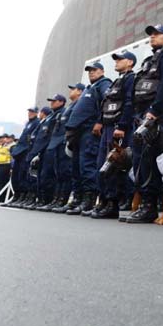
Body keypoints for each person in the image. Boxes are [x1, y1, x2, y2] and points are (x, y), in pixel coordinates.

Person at [127, 24, 163, 224]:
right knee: (139, 158)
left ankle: (150, 206)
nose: (152, 37)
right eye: (151, 35)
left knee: (149, 157)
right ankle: (145, 202)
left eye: (157, 34)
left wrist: (155, 110)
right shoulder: (147, 61)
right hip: (140, 114)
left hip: (153, 114)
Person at [91, 51, 137, 219]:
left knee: (113, 166)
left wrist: (123, 125)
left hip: (118, 128)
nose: (116, 62)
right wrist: (100, 121)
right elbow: (106, 104)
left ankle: (112, 204)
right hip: (108, 127)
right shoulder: (117, 81)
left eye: (120, 59)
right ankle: (103, 200)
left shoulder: (131, 78)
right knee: (102, 165)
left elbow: (130, 103)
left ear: (130, 62)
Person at [64, 64, 112, 216]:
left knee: (87, 166)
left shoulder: (104, 84)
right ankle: (78, 199)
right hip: (79, 134)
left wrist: (100, 121)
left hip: (90, 132)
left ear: (102, 71)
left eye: (94, 70)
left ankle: (89, 201)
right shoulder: (89, 88)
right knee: (77, 167)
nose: (91, 73)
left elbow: (108, 101)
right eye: (89, 71)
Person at [53, 84, 84, 213]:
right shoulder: (71, 106)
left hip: (75, 141)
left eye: (74, 89)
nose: (71, 91)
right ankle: (60, 200)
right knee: (62, 172)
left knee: (69, 172)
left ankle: (68, 200)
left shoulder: (80, 104)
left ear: (80, 92)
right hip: (66, 141)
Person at [33, 95, 66, 210]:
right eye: (51, 101)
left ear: (61, 102)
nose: (51, 103)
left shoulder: (61, 113)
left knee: (50, 175)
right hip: (44, 148)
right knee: (42, 175)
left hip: (53, 147)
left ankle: (49, 199)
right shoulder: (51, 116)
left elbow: (56, 133)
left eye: (54, 101)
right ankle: (41, 199)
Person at [6, 107, 39, 207]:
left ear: (36, 113)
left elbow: (31, 139)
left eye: (32, 112)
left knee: (23, 174)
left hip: (26, 152)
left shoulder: (36, 123)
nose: (30, 113)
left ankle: (23, 196)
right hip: (19, 152)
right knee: (16, 175)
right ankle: (17, 195)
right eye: (29, 112)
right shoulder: (28, 124)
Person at [23, 106, 54, 208]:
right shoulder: (40, 123)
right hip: (35, 151)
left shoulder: (45, 122)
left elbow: (44, 139)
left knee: (43, 176)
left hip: (42, 151)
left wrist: (37, 152)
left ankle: (43, 199)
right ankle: (32, 198)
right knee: (34, 176)